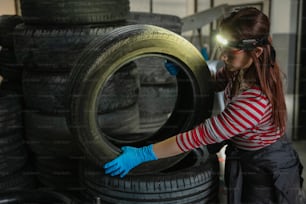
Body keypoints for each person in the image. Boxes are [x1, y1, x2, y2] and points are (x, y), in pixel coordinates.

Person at [104, 7, 304, 204]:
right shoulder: (240, 70)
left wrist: (142, 154)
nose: (223, 57)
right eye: (222, 47)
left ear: (257, 52)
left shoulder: (253, 103)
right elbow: (215, 82)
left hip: (266, 165)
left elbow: (195, 137)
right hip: (247, 151)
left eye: (230, 52)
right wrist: (185, 71)